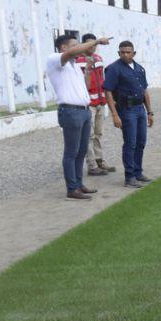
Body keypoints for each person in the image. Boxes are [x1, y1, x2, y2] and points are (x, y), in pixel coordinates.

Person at [46, 32, 110, 200]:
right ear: (64, 47)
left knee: (81, 150)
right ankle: (71, 188)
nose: (78, 48)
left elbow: (86, 86)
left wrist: (88, 70)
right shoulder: (55, 59)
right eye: (74, 45)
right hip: (70, 111)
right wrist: (95, 41)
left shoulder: (74, 65)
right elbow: (72, 53)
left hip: (83, 110)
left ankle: (78, 184)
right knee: (71, 152)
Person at [104, 40, 154, 188]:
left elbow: (144, 91)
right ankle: (129, 176)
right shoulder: (114, 69)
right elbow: (108, 91)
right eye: (122, 52)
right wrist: (114, 115)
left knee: (141, 142)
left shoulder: (139, 69)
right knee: (130, 143)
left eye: (128, 52)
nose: (125, 54)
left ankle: (138, 172)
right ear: (118, 53)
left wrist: (150, 112)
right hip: (126, 110)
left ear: (134, 53)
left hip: (140, 109)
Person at [77, 34, 115, 177]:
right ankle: (91, 165)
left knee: (98, 134)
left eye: (95, 44)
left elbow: (102, 80)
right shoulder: (78, 61)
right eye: (90, 44)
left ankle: (100, 161)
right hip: (89, 104)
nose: (92, 47)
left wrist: (105, 98)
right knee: (89, 135)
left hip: (100, 102)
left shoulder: (99, 59)